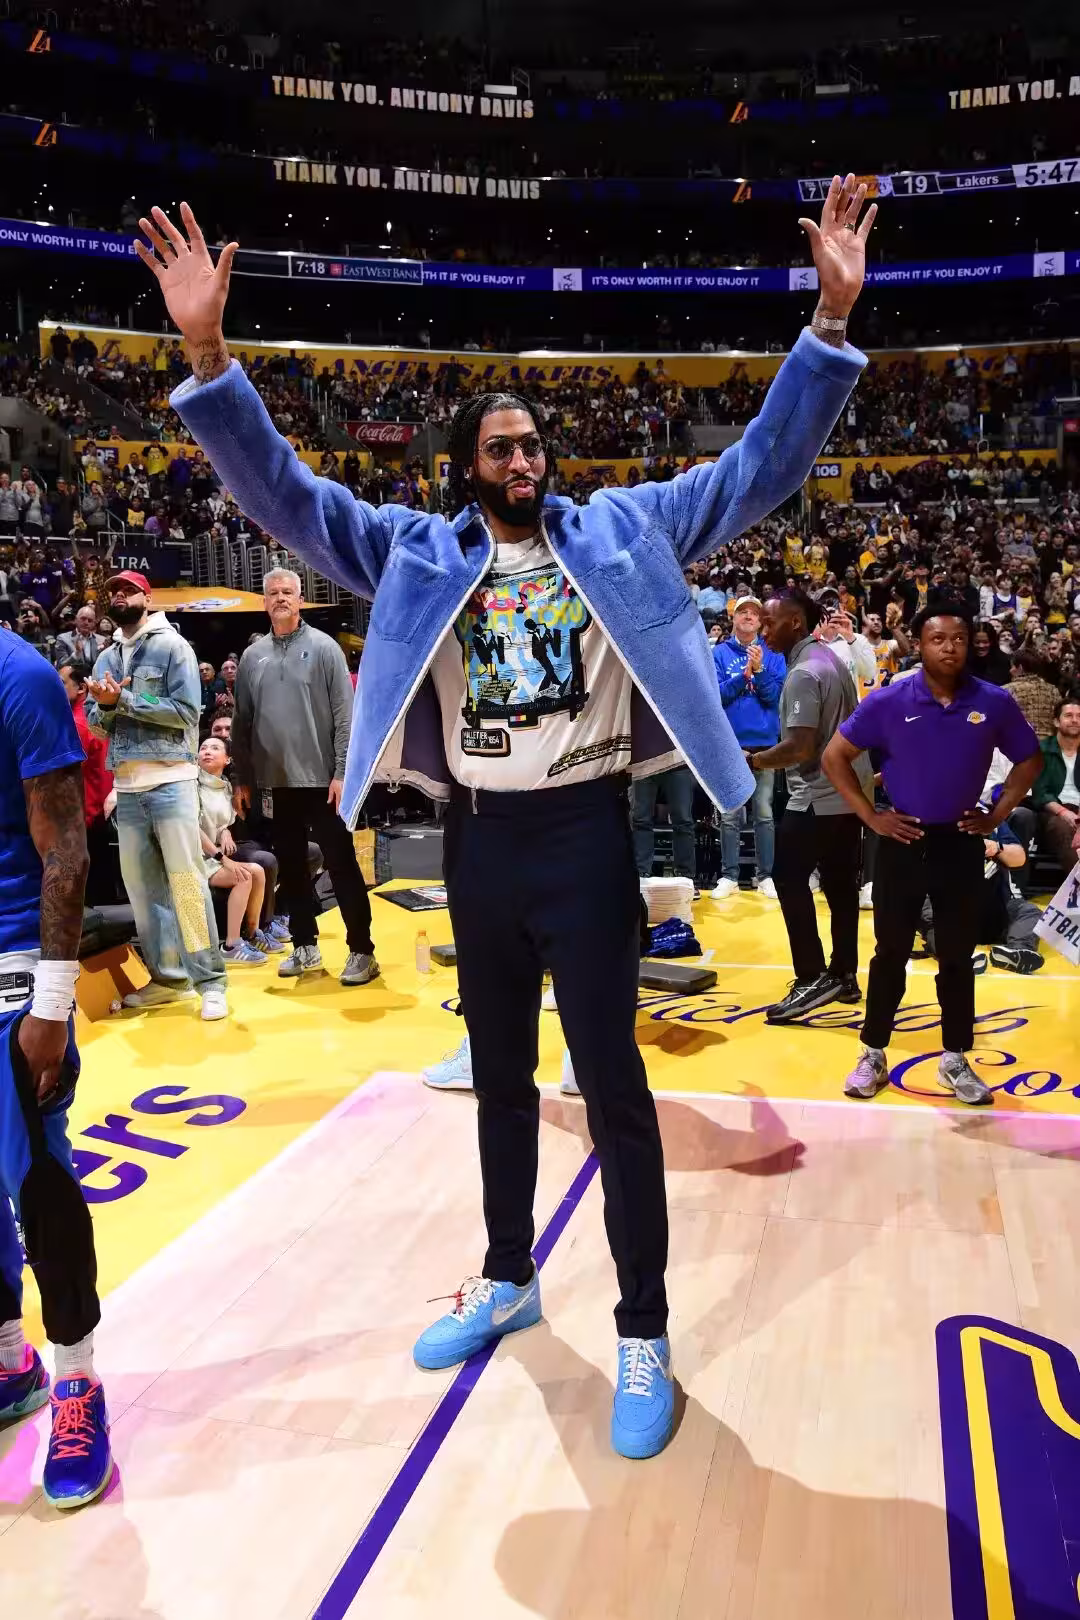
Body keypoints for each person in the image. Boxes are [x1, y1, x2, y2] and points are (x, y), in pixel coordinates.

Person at [138, 176, 874, 1461]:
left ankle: (642, 1326)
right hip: (480, 843)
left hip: (585, 836)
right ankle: (507, 1273)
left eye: (535, 447)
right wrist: (209, 358)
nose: (524, 462)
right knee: (498, 1083)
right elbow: (291, 501)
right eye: (501, 450)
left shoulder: (626, 530)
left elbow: (760, 470)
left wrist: (826, 325)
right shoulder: (416, 551)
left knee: (616, 1090)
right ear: (466, 468)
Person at [822, 605, 1042, 1106]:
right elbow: (833, 757)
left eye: (958, 638)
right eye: (938, 638)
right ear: (919, 645)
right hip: (902, 839)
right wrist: (871, 816)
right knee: (890, 953)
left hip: (961, 841)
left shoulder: (993, 701)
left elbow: (1030, 760)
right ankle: (873, 1052)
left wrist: (997, 812)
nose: (949, 647)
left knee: (958, 955)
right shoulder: (890, 698)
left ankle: (955, 1058)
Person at [0, 628, 113, 1507]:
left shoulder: (22, 678)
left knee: (37, 1179)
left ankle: (77, 1379)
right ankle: (12, 1361)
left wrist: (52, 1003)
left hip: (12, 974)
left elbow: (66, 846)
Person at [85, 570, 228, 1020]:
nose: (119, 596)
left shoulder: (173, 647)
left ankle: (211, 981)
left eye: (128, 590)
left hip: (171, 782)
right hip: (127, 789)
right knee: (144, 895)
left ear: (148, 598)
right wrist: (105, 707)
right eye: (113, 591)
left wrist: (124, 702)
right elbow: (95, 724)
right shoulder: (105, 657)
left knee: (186, 885)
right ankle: (169, 979)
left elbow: (186, 713)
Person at [231, 568, 378, 987]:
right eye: (273, 592)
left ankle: (362, 950)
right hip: (275, 783)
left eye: (287, 592)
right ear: (264, 602)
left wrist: (342, 773)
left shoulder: (325, 647)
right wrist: (242, 778)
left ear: (300, 600)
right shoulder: (252, 657)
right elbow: (242, 723)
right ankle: (304, 945)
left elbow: (346, 718)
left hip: (324, 782)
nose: (280, 598)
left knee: (341, 864)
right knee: (292, 868)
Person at [754, 590, 870, 1022]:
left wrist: (755, 761)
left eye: (770, 622)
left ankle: (810, 977)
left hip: (817, 795)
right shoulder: (832, 659)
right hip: (849, 794)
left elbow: (800, 747)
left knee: (788, 878)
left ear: (796, 623)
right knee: (841, 888)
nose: (764, 630)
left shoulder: (804, 672)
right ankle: (844, 975)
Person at [712, 594, 786, 899]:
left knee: (764, 814)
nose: (748, 616)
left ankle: (765, 875)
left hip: (764, 746)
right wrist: (743, 677)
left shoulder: (774, 654)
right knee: (730, 814)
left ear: (760, 622)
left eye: (754, 613)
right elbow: (715, 696)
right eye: (742, 611)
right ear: (734, 617)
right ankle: (729, 876)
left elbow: (775, 698)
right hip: (730, 744)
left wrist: (760, 670)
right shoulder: (719, 654)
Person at [918, 815, 1044, 975]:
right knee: (929, 912)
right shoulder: (932, 817)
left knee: (1029, 912)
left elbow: (1019, 858)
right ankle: (957, 955)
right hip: (947, 907)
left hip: (992, 908)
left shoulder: (991, 818)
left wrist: (996, 847)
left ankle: (1018, 952)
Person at [196, 736, 276, 962]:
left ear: (227, 759)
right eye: (203, 748)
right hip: (195, 856)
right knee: (243, 876)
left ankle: (252, 933)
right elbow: (192, 828)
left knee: (258, 871)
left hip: (211, 854)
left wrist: (225, 832)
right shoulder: (192, 785)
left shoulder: (226, 787)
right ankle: (231, 945)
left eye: (214, 748)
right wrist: (223, 858)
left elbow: (222, 822)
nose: (207, 751)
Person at [57, 659, 116, 906]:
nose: (55, 688)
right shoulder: (94, 717)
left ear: (81, 688)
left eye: (61, 683)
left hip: (84, 813)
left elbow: (65, 775)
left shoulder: (77, 723)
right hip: (100, 810)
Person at [1030, 698, 1080, 873]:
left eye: (1079, 716)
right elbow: (1039, 792)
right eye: (1069, 715)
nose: (1075, 720)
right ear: (1056, 721)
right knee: (1063, 827)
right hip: (1053, 812)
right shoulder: (1041, 750)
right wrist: (1064, 813)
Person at [631, 761, 697, 887]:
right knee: (640, 820)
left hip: (676, 761)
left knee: (683, 822)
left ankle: (686, 877)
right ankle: (640, 875)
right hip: (645, 761)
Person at [54, 604, 106, 670]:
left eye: (90, 620)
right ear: (76, 620)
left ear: (94, 624)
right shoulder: (63, 638)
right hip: (73, 675)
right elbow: (61, 666)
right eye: (83, 619)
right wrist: (76, 654)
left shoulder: (101, 640)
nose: (86, 623)